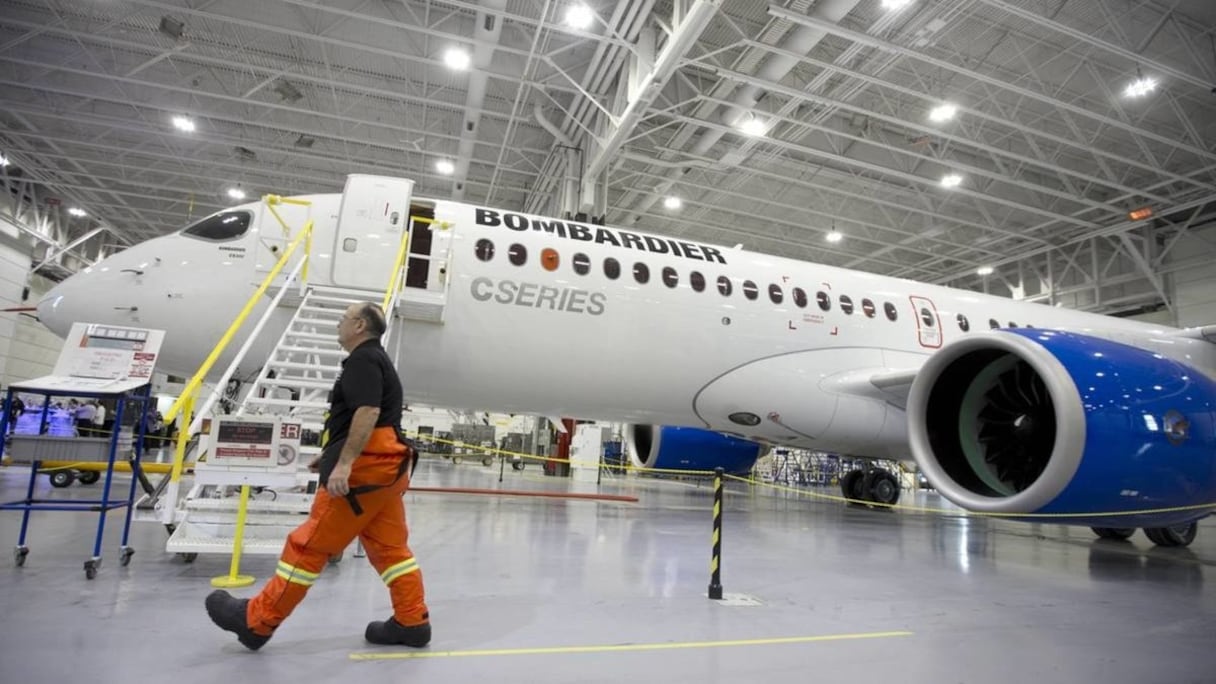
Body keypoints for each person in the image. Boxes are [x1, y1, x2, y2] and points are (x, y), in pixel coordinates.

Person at [206, 302, 430, 650]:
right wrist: (331, 456)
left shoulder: (363, 360)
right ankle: (412, 621)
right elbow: (369, 417)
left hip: (364, 473)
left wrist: (344, 464)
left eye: (343, 319)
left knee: (307, 547)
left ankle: (257, 622)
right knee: (391, 551)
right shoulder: (376, 360)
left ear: (358, 325)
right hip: (385, 470)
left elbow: (368, 412)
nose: (338, 324)